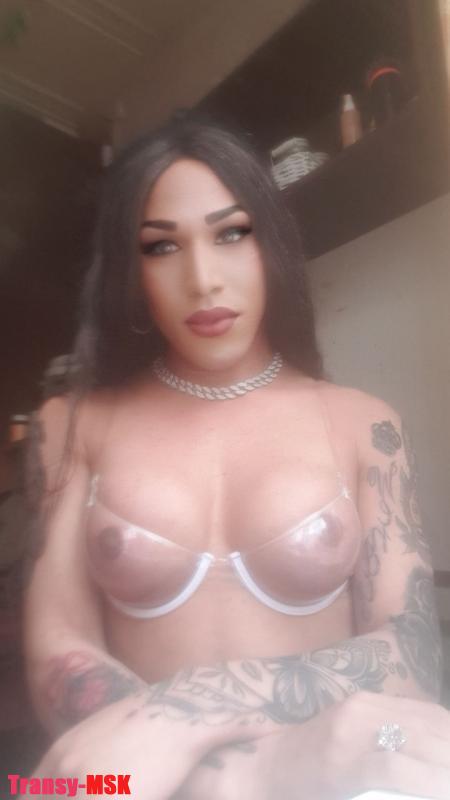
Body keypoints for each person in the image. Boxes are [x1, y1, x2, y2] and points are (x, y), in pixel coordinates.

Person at [24, 114, 449, 799]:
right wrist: (228, 775)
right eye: (162, 246)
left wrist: (181, 712)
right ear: (131, 270)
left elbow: (412, 650)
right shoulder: (71, 427)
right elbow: (59, 648)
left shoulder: (367, 425)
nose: (203, 279)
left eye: (231, 233)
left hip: (336, 774)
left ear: (271, 244)